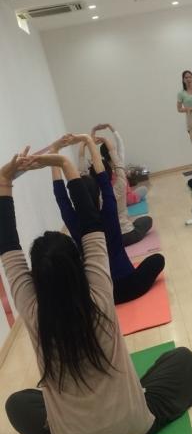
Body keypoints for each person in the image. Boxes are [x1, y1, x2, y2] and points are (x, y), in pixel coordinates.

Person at [0, 148, 192, 434]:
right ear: (79, 263)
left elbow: (7, 248)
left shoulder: (32, 311)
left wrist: (4, 181)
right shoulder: (99, 291)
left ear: (35, 280)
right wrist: (64, 163)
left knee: (17, 404)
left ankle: (75, 432)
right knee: (181, 358)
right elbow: (91, 224)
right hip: (135, 428)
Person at [51, 133, 165, 305]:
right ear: (98, 193)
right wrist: (88, 140)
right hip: (129, 286)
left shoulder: (73, 222)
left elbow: (60, 196)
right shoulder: (109, 212)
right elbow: (103, 179)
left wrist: (54, 151)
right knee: (158, 259)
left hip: (100, 296)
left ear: (75, 200)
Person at [90, 133, 153, 247]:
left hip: (110, 240)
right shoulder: (120, 184)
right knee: (147, 219)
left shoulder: (93, 196)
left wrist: (87, 143)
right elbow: (118, 159)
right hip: (128, 234)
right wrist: (105, 139)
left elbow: (82, 173)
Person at [92, 123, 147, 206]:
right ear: (113, 150)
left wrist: (94, 130)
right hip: (126, 198)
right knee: (144, 189)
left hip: (112, 201)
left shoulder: (102, 165)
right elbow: (119, 141)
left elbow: (92, 151)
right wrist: (109, 126)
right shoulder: (119, 161)